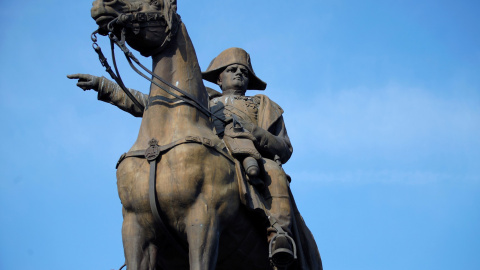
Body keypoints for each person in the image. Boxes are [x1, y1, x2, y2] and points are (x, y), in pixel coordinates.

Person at [68, 47, 296, 266]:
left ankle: (278, 235)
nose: (238, 73)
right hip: (208, 155)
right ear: (219, 78)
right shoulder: (201, 98)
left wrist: (254, 131)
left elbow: (284, 148)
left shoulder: (262, 104)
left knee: (273, 172)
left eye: (244, 72)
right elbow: (148, 104)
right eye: (232, 69)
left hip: (251, 154)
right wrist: (104, 86)